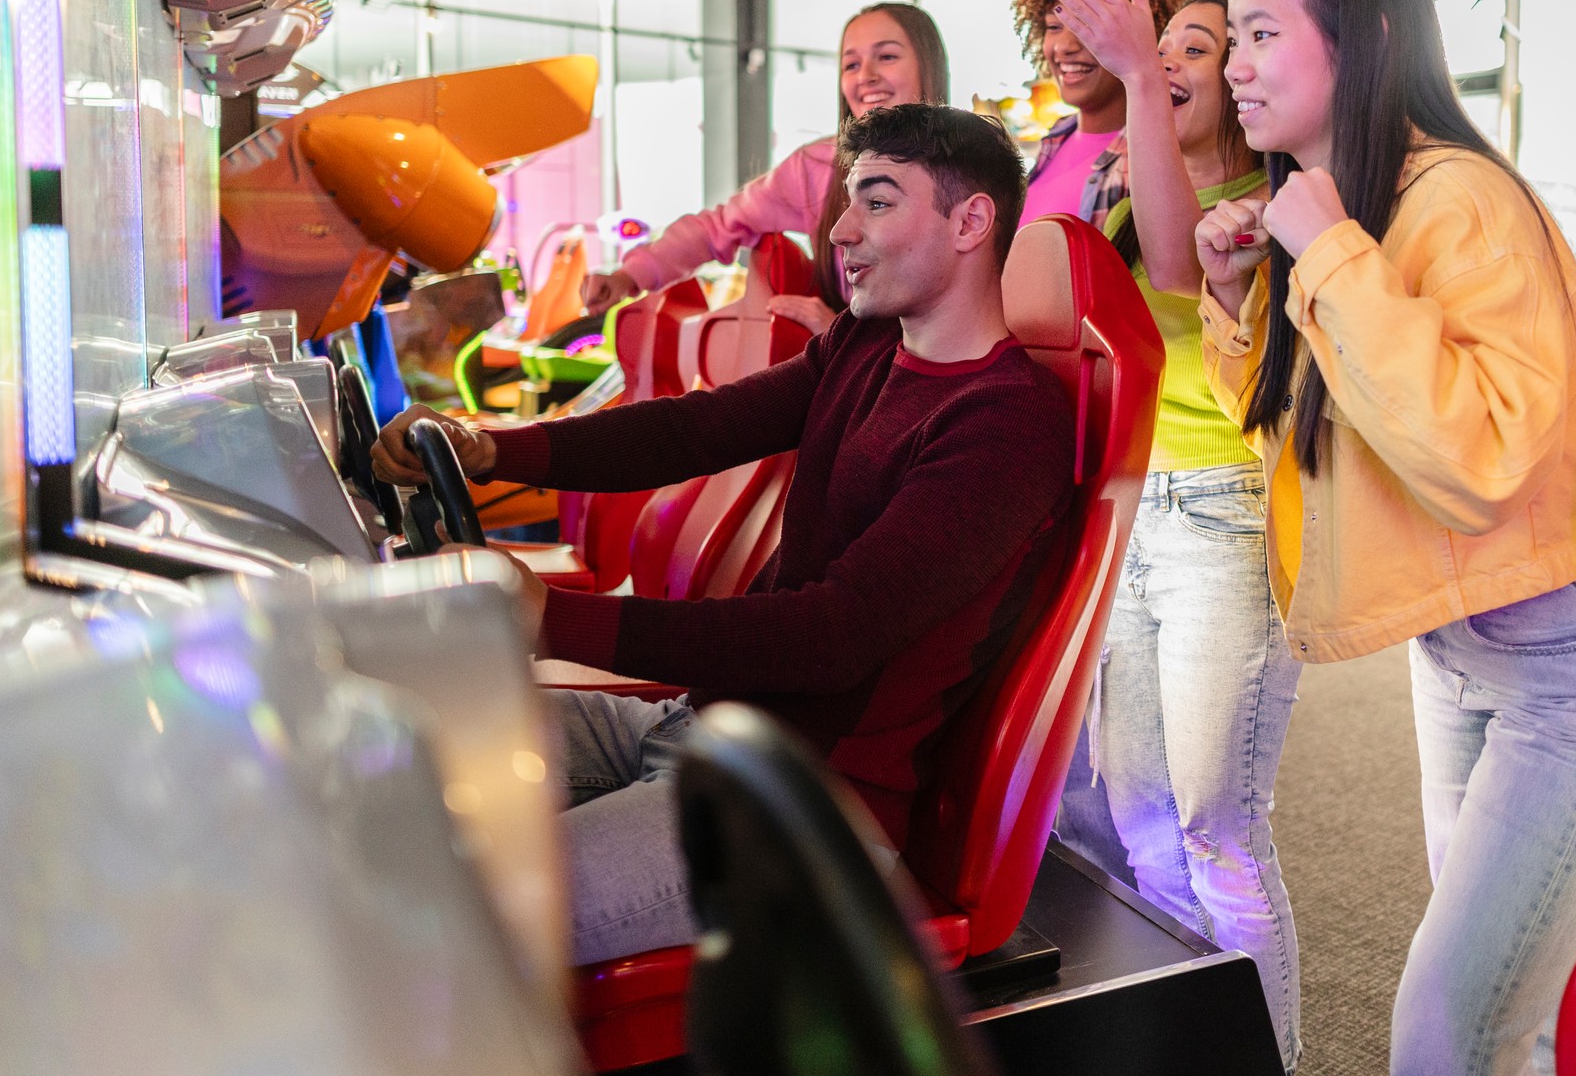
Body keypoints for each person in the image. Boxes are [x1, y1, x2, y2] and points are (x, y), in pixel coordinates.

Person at [376, 104, 1075, 967]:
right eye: (847, 202)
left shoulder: (1006, 422)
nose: (841, 233)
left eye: (879, 203)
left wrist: (549, 618)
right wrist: (490, 447)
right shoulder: (863, 343)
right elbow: (690, 431)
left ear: (973, 221)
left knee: (453, 917)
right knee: (389, 752)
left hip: (807, 805)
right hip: (702, 727)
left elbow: (833, 634)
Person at [1194, 0, 1576, 1076]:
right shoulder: (1353, 202)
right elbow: (1321, 432)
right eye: (1234, 40)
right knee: (1500, 1017)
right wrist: (1239, 304)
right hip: (1465, 649)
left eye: (1261, 34)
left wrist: (1324, 255)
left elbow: (1475, 458)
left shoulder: (1455, 198)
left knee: (1445, 1032)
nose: (1236, 68)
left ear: (1362, 35)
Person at [1043, 0, 1302, 1072]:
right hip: (1131, 518)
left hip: (1228, 522)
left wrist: (1137, 76)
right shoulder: (1108, 182)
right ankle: (1188, 1049)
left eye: (1204, 48)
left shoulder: (1266, 207)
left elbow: (1170, 250)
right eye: (1178, 45)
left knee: (1219, 832)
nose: (1186, 64)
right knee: (1142, 829)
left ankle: (1270, 1059)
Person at [580, 2, 949, 336]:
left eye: (886, 57)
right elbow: (717, 227)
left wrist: (837, 334)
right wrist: (629, 276)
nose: (865, 75)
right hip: (857, 387)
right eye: (851, 64)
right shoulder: (817, 169)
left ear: (927, 64)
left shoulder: (974, 167)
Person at [1009, 0, 1202, 229]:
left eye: (1085, 27)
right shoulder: (1057, 137)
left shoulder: (1157, 156)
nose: (1064, 47)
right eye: (1053, 27)